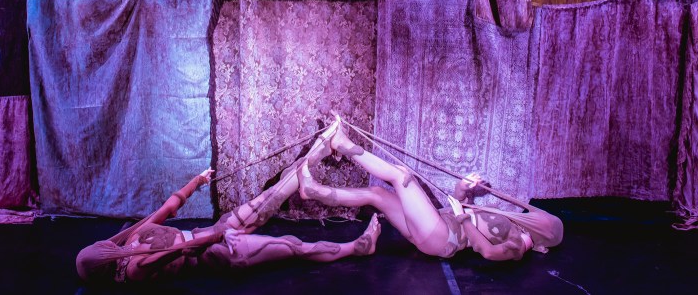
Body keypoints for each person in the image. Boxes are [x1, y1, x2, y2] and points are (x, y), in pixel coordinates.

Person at [75, 128, 380, 283]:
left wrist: (196, 181)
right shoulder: (134, 270)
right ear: (103, 262)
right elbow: (181, 250)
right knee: (293, 246)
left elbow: (167, 209)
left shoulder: (130, 239)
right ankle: (357, 248)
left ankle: (324, 146)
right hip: (220, 253)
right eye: (100, 248)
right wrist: (222, 236)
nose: (103, 243)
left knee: (269, 197)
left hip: (211, 232)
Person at [297, 116, 563, 261]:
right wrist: (462, 189)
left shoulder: (521, 242)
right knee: (377, 195)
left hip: (442, 238)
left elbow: (489, 252)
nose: (539, 216)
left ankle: (341, 144)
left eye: (546, 221)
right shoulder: (510, 220)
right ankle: (312, 190)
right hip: (439, 224)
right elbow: (460, 207)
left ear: (546, 235)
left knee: (402, 176)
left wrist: (463, 219)